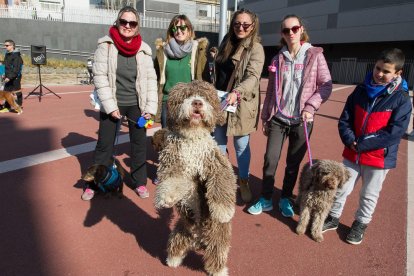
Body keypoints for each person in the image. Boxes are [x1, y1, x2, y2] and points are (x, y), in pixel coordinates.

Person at [322, 48, 412, 245]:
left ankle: (360, 224)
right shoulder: (360, 90)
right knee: (340, 188)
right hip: (352, 152)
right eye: (377, 68)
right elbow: (345, 120)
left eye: (386, 71)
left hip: (378, 158)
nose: (379, 74)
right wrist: (350, 140)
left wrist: (362, 144)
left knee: (368, 195)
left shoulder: (401, 99)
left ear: (398, 73)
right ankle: (333, 217)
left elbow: (394, 133)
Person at [247, 14, 332, 216]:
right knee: (270, 159)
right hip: (279, 118)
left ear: (301, 29)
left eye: (294, 29)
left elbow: (326, 85)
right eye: (286, 30)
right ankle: (266, 198)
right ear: (282, 34)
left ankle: (286, 197)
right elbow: (270, 92)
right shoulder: (278, 58)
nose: (291, 33)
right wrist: (266, 117)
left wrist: (311, 106)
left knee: (293, 163)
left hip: (302, 120)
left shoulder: (314, 55)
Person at [81, 6, 158, 201]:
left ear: (137, 26)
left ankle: (139, 182)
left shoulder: (144, 50)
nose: (127, 26)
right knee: (104, 145)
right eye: (123, 22)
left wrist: (149, 109)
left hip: (137, 105)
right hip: (112, 103)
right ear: (117, 22)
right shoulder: (105, 46)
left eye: (132, 23)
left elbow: (150, 81)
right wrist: (111, 107)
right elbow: (100, 77)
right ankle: (93, 183)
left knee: (139, 144)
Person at [213, 8, 265, 203]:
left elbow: (253, 76)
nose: (240, 28)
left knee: (241, 145)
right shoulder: (226, 41)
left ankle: (243, 180)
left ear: (253, 26)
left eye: (245, 25)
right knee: (217, 144)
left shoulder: (256, 48)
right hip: (220, 99)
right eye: (237, 24)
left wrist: (237, 92)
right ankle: (219, 181)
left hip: (240, 102)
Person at [154, 14, 208, 128]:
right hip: (168, 101)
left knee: (188, 139)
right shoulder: (162, 51)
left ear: (189, 30)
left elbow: (205, 77)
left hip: (190, 103)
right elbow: (156, 78)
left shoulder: (197, 50)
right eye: (175, 28)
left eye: (183, 27)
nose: (179, 31)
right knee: (168, 138)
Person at [1, 40, 23, 114]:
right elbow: (6, 66)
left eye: (7, 45)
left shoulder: (17, 56)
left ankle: (19, 107)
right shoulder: (7, 54)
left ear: (12, 46)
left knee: (17, 92)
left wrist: (9, 77)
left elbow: (16, 69)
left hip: (15, 77)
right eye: (5, 45)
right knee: (6, 93)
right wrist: (4, 74)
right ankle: (7, 107)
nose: (5, 47)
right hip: (8, 76)